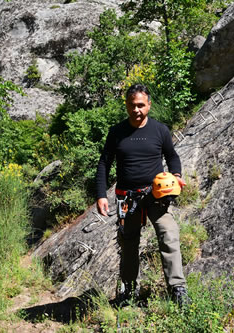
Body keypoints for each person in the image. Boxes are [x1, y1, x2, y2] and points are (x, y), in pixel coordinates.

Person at [95, 83, 189, 306]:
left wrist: (176, 174)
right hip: (127, 198)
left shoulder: (160, 130)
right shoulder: (116, 132)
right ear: (126, 105)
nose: (136, 110)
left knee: (169, 234)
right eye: (131, 105)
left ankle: (177, 289)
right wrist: (101, 194)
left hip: (156, 195)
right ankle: (128, 292)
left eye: (140, 105)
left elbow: (172, 156)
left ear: (149, 105)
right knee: (128, 244)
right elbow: (103, 165)